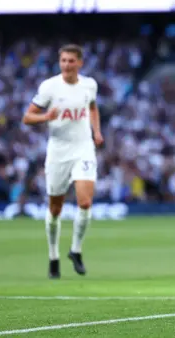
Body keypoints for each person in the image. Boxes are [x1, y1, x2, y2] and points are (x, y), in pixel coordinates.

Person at [22, 44, 104, 279]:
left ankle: (76, 250)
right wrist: (45, 116)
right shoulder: (49, 87)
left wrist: (96, 131)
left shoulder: (89, 85)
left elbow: (92, 107)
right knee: (55, 208)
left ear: (80, 63)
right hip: (58, 153)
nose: (67, 65)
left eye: (71, 61)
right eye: (63, 61)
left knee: (85, 202)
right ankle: (53, 256)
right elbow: (27, 117)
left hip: (83, 149)